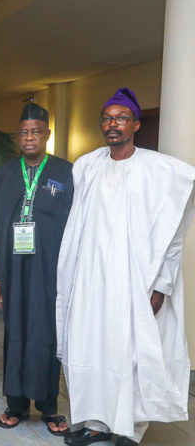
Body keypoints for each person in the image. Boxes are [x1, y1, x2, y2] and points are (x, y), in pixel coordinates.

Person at [57, 88, 195, 446]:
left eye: (120, 118)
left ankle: (130, 430)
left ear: (135, 123)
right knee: (89, 348)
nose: (112, 124)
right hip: (90, 277)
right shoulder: (87, 165)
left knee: (130, 352)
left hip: (134, 279)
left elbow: (174, 232)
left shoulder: (160, 169)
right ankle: (94, 423)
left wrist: (162, 284)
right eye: (106, 117)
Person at [0, 103, 73, 435]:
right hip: (12, 269)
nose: (29, 137)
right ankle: (16, 404)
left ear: (47, 134)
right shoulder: (6, 174)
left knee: (47, 334)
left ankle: (49, 407)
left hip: (50, 270)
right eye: (23, 132)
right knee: (15, 333)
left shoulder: (66, 172)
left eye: (35, 131)